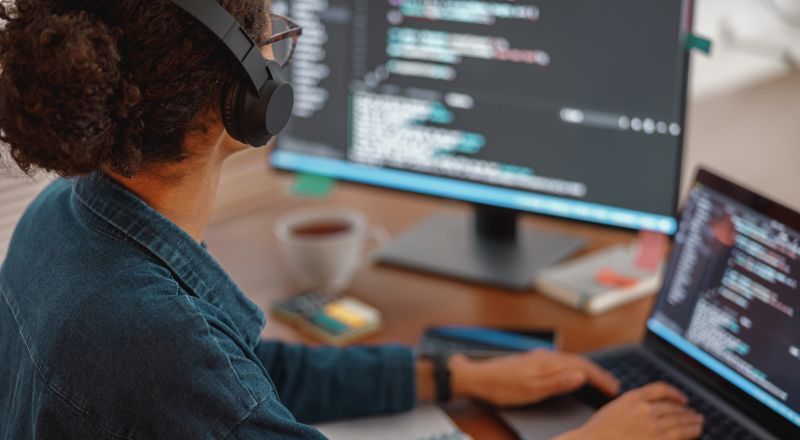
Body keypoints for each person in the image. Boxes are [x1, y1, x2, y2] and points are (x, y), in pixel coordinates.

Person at [0, 1, 703, 438]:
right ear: (245, 99)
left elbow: (237, 382)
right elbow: (207, 381)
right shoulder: (154, 339)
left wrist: (452, 375)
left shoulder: (64, 218)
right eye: (272, 34)